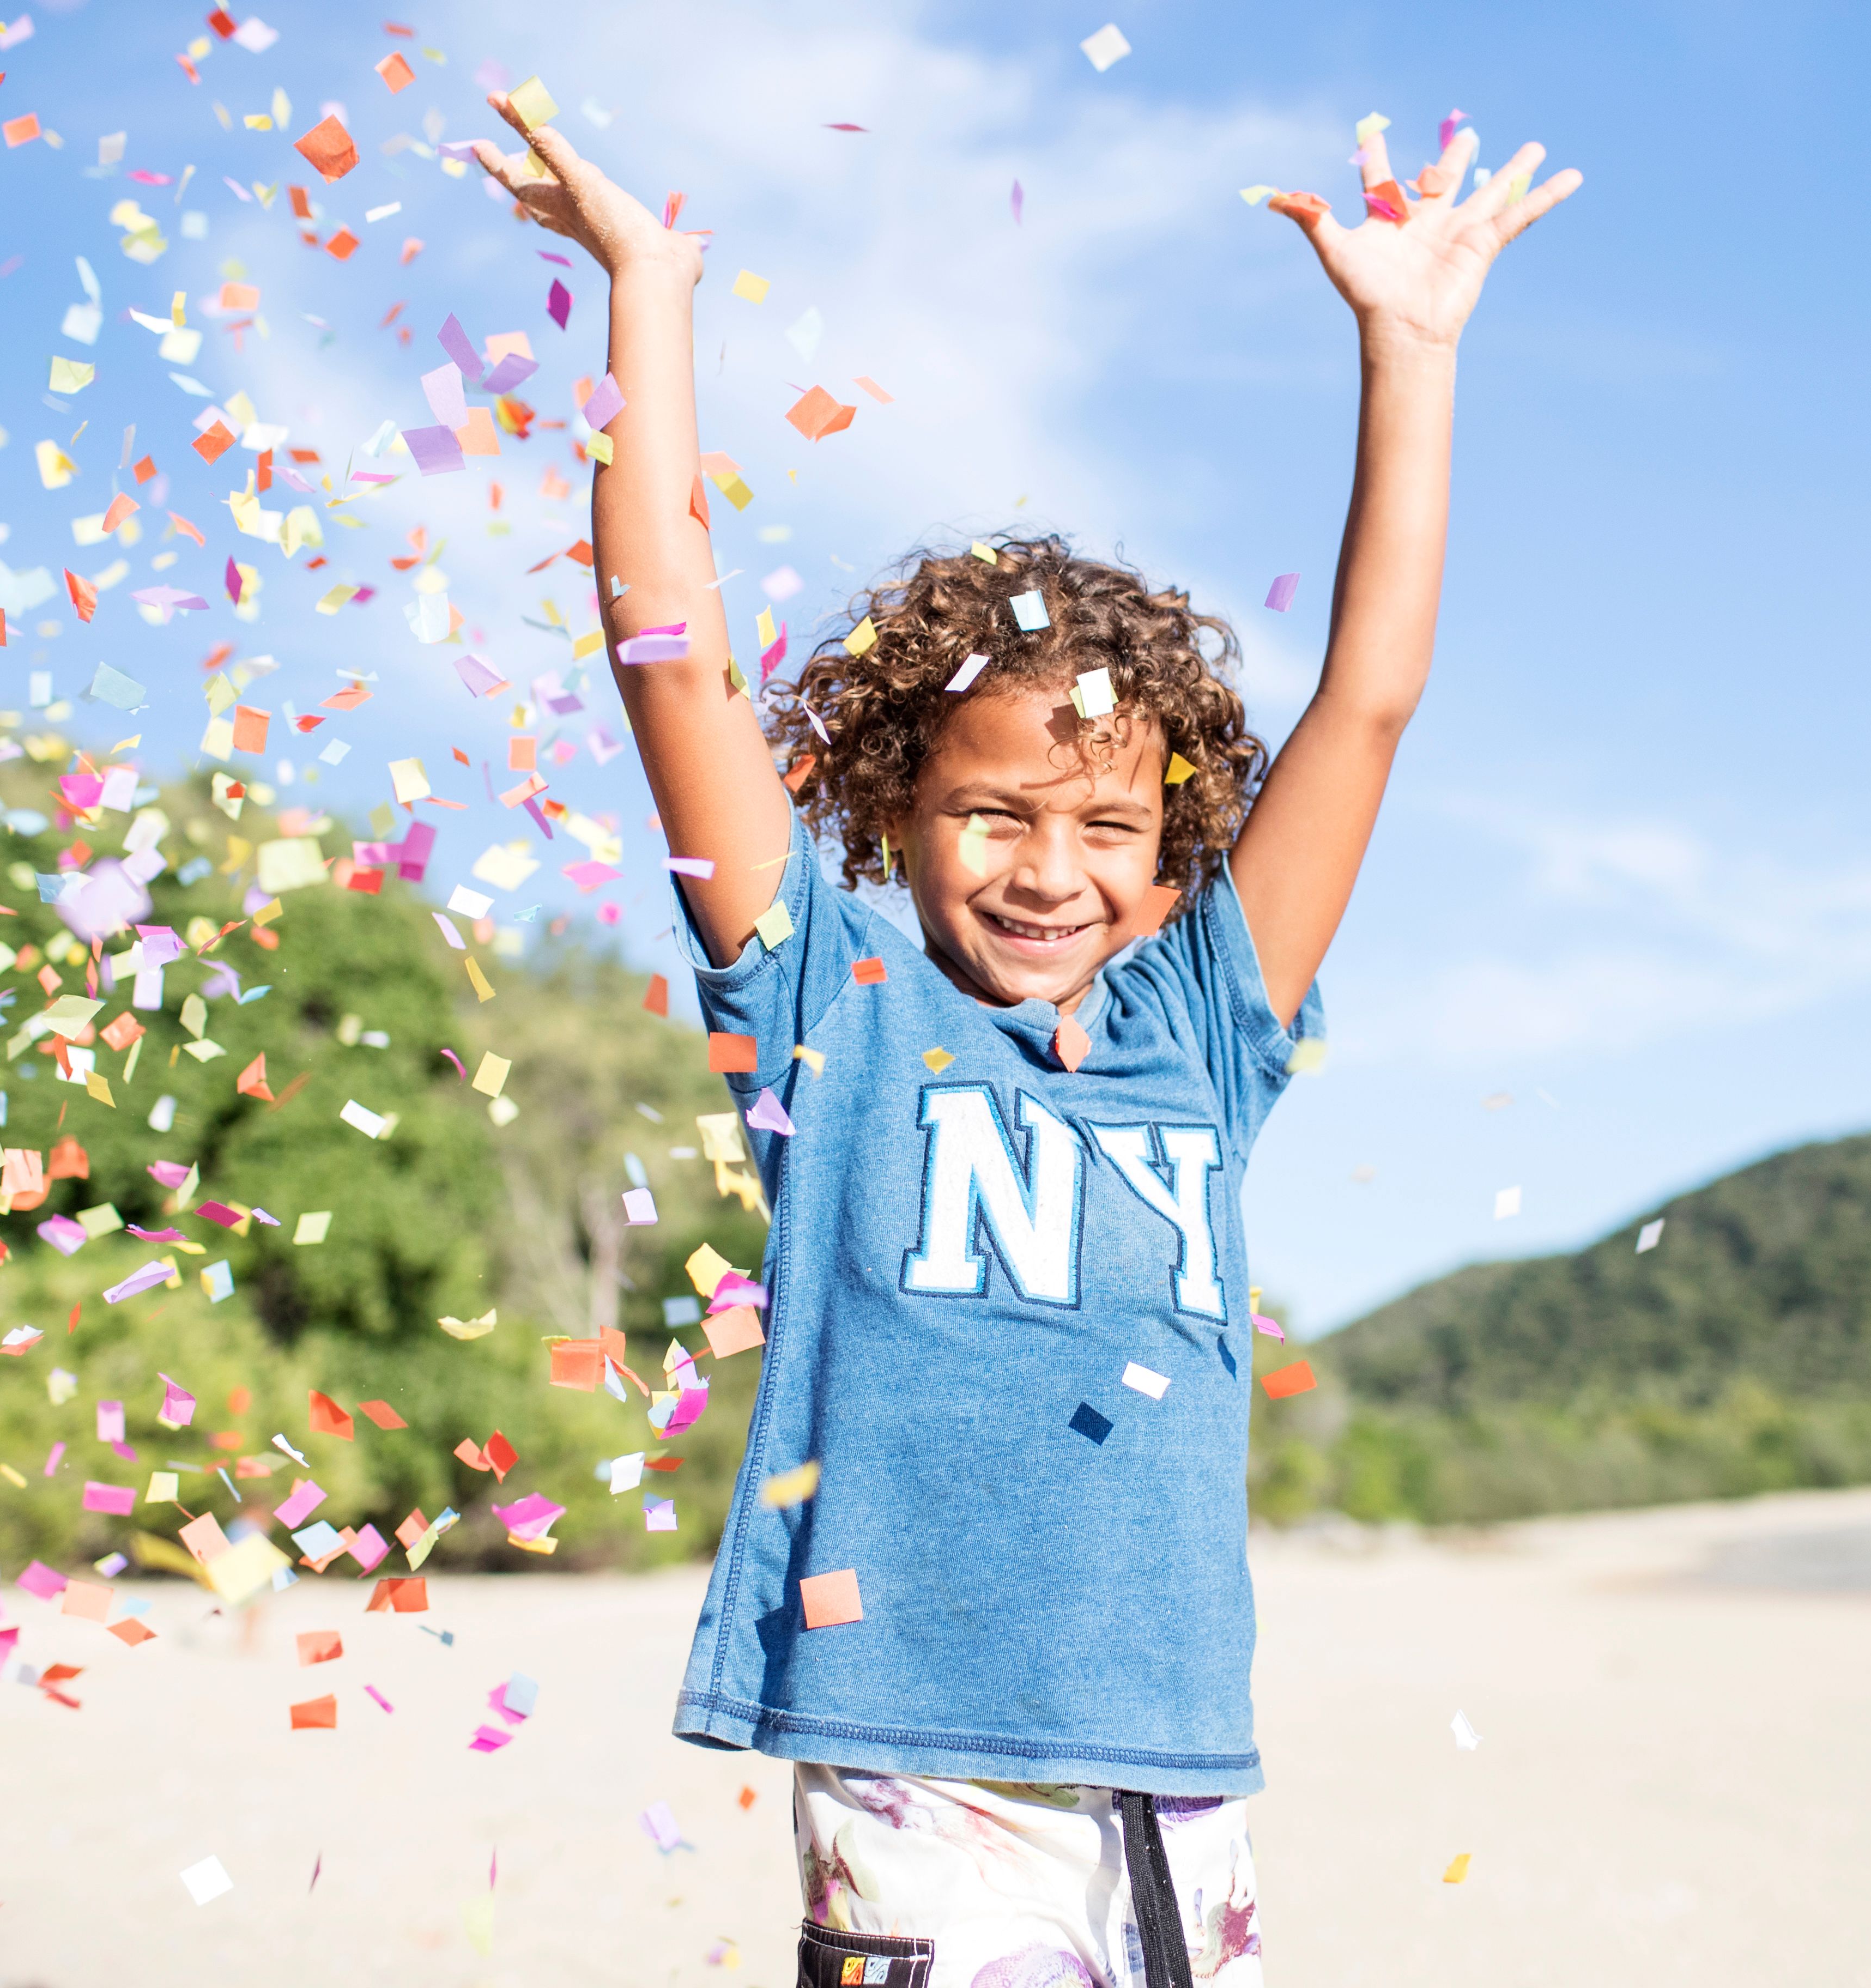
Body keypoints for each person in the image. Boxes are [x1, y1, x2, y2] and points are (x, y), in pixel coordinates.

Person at [477, 91, 1578, 1988]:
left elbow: (1372, 703)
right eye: (992, 810)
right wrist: (648, 291)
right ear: (895, 807)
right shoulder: (833, 1009)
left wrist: (1409, 350)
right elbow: (666, 641)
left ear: (1177, 860)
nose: (1048, 867)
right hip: (922, 1778)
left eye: (1109, 827)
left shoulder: (1205, 1037)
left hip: (1182, 1780)